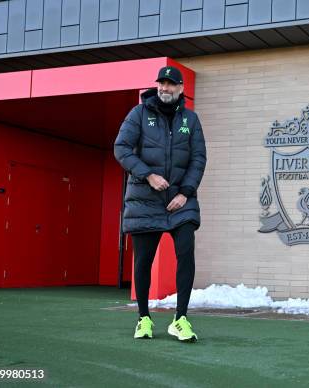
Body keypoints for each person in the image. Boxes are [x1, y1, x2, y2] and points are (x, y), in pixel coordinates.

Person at [114, 66, 206, 342]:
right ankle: (143, 318)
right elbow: (122, 148)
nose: (165, 88)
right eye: (161, 83)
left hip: (181, 199)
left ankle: (181, 319)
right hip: (145, 199)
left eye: (170, 84)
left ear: (181, 89)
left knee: (186, 253)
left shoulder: (190, 118)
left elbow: (198, 158)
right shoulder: (139, 114)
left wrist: (186, 192)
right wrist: (148, 175)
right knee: (143, 261)